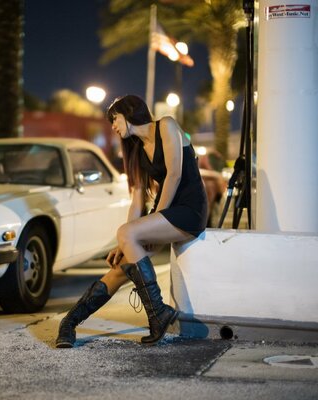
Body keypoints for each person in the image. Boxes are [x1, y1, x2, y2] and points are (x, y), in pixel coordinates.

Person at [56, 94, 208, 348]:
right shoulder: (136, 151)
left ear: (128, 112)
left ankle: (157, 313)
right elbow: (137, 199)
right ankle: (69, 323)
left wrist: (145, 226)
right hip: (166, 213)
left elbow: (174, 176)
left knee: (126, 235)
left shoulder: (166, 125)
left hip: (189, 211)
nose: (113, 127)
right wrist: (126, 241)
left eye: (114, 119)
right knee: (121, 266)